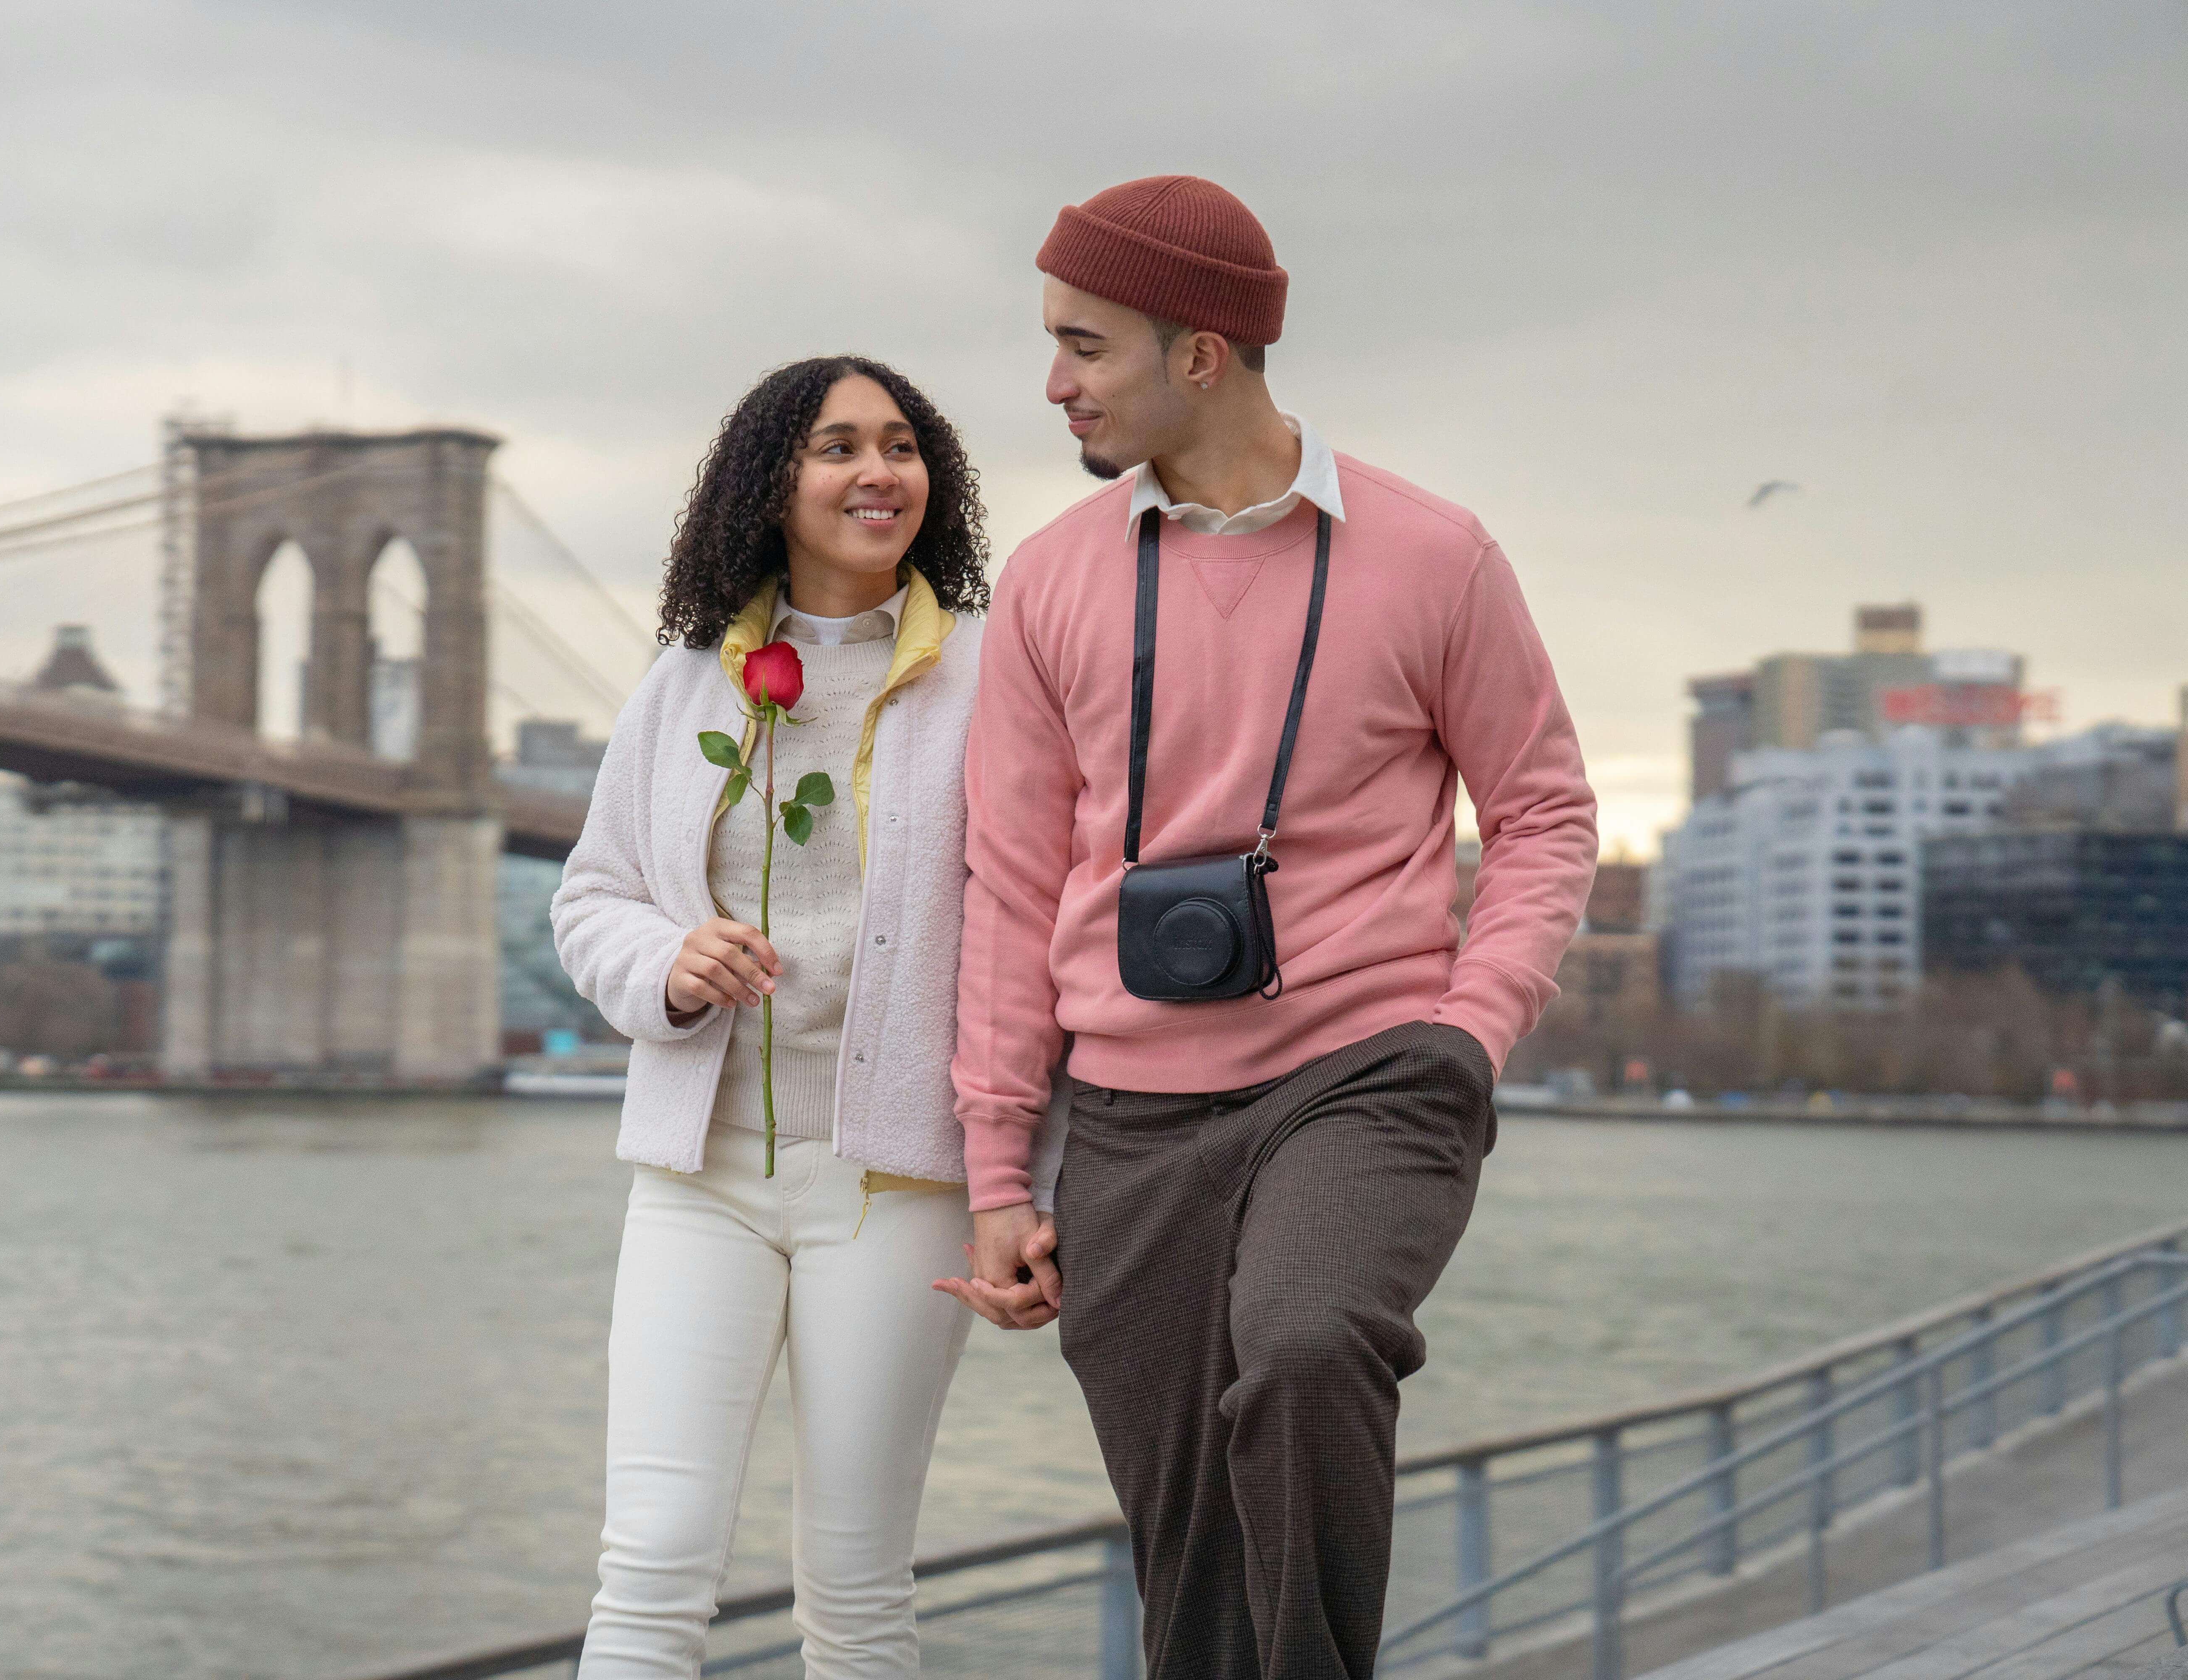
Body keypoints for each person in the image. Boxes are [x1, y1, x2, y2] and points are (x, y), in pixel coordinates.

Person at [938, 177, 1601, 1680]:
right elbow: (1014, 882)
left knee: (1306, 1349)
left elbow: (1547, 813)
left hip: (1368, 1076)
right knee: (1192, 1559)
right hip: (1130, 1116)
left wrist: (1472, 1027)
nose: (1053, 384)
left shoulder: (1436, 557)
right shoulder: (1047, 583)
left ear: (1200, 354)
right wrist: (997, 1169)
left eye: (1083, 346)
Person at [552, 356, 1056, 1679]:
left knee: (855, 1580)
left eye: (900, 446)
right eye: (837, 448)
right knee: (652, 1562)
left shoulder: (999, 678)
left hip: (900, 1188)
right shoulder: (684, 684)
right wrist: (669, 964)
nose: (877, 473)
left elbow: (1038, 941)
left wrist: (1031, 1185)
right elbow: (592, 898)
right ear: (770, 486)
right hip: (699, 1179)